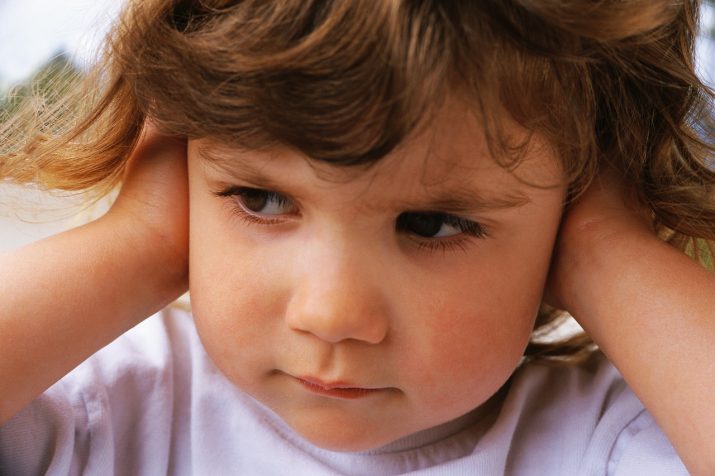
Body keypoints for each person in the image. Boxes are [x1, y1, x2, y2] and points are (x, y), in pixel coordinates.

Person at [1, 0, 714, 474]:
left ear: (574, 203)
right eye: (261, 197)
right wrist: (140, 243)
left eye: (430, 223)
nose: (331, 315)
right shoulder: (112, 407)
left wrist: (607, 253)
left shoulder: (609, 441)